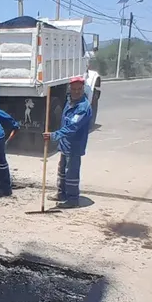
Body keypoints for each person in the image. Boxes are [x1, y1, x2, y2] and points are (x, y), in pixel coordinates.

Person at [43, 77, 93, 209]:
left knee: (71, 173)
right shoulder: (70, 101)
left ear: (83, 89)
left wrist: (54, 135)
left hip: (74, 146)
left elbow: (72, 127)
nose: (76, 91)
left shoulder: (83, 107)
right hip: (65, 144)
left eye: (79, 89)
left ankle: (72, 199)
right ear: (70, 89)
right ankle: (61, 194)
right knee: (62, 171)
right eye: (74, 89)